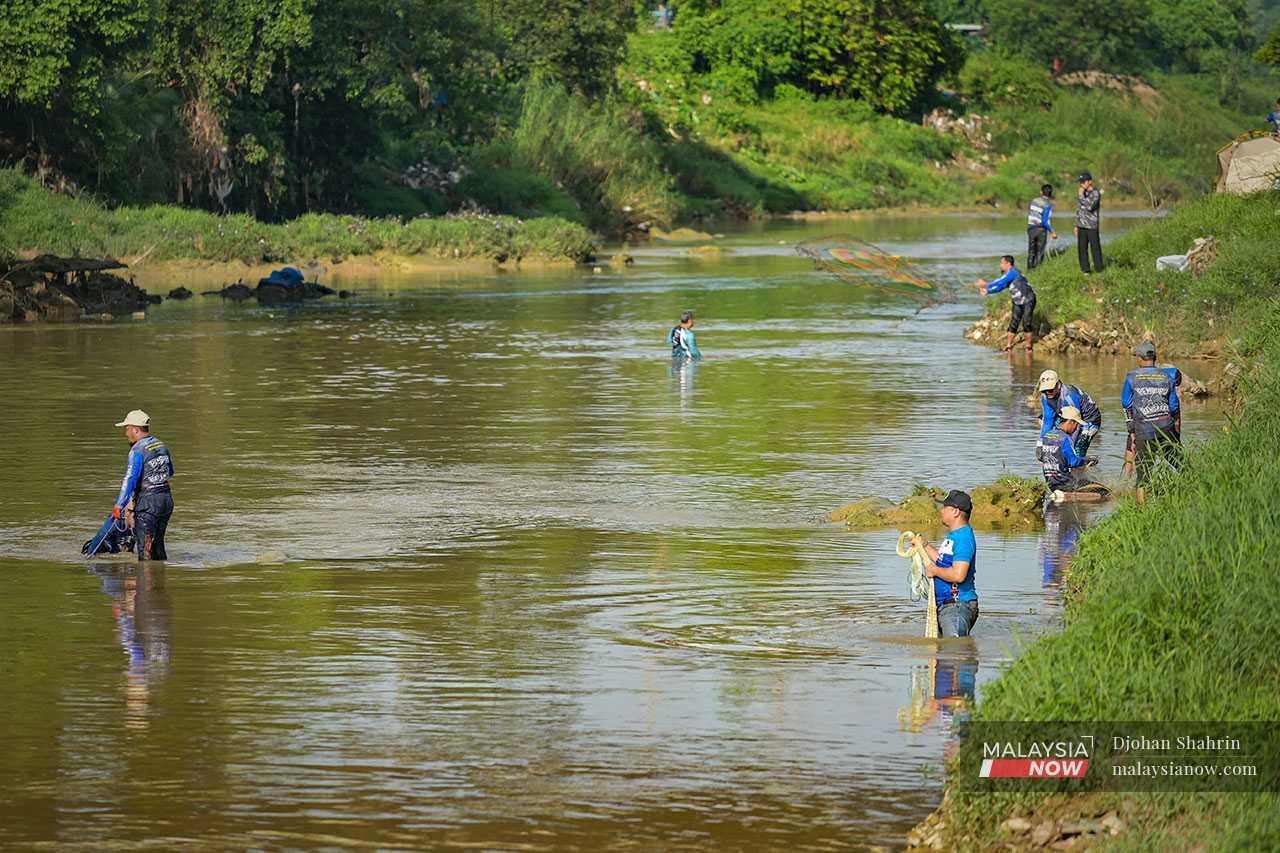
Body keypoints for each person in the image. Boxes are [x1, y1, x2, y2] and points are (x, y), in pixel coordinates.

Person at [911, 490, 978, 638]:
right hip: (948, 607)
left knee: (956, 652)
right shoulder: (954, 536)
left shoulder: (963, 538)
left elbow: (958, 575)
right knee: (945, 656)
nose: (941, 511)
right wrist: (924, 545)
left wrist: (934, 571)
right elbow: (943, 562)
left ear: (955, 512)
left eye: (945, 507)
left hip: (957, 606)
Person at [1121, 341, 1181, 503]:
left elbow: (1126, 403)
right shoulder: (1167, 376)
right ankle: (1196, 490)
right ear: (1154, 358)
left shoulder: (1131, 377)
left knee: (1143, 475)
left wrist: (1132, 431)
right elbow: (1174, 406)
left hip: (1144, 430)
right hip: (1166, 429)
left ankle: (1141, 510)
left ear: (1140, 359)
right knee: (1181, 464)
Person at [112, 410, 175, 560]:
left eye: (127, 429)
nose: (126, 433)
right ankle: (160, 579)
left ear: (136, 429)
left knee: (145, 551)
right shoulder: (161, 446)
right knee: (158, 546)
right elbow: (170, 472)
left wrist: (119, 505)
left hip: (148, 503)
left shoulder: (137, 450)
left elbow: (130, 479)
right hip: (166, 500)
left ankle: (145, 580)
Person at [976, 255, 1036, 352]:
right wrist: (988, 291)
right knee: (1014, 322)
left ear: (1008, 264)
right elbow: (1001, 286)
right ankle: (1009, 346)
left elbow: (1000, 281)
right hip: (1017, 301)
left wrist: (986, 284)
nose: (1000, 265)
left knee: (1026, 323)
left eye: (1001, 263)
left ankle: (1029, 346)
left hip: (1028, 300)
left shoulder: (1013, 273)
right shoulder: (1008, 275)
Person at [1037, 369, 1102, 457]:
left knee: (1077, 451)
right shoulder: (1045, 397)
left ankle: (1083, 465)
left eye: (1050, 390)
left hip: (1088, 420)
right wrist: (1041, 444)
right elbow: (1048, 421)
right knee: (1042, 421)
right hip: (1067, 415)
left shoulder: (1069, 397)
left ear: (1058, 385)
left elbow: (1075, 424)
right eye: (1044, 390)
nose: (1047, 393)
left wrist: (1069, 449)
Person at [1037, 405, 1088, 493]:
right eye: (1076, 424)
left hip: (1050, 484)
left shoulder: (1047, 435)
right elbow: (1073, 462)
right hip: (1066, 483)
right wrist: (1086, 460)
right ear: (1071, 422)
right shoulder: (1065, 438)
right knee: (1102, 491)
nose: (1076, 428)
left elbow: (1041, 456)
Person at [1074, 172, 1103, 274]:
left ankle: (1099, 269)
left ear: (1090, 182)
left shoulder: (1095, 193)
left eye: (1083, 182)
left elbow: (1089, 207)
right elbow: (1079, 210)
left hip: (1091, 226)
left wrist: (1081, 195)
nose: (1081, 184)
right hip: (1081, 226)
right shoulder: (1083, 194)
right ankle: (1085, 270)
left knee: (1095, 248)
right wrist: (1076, 225)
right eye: (1080, 182)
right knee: (1082, 249)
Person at [1026, 183, 1057, 270]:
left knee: (1031, 252)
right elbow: (1045, 221)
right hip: (1040, 230)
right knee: (1040, 252)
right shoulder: (1047, 205)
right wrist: (1052, 231)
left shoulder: (1033, 201)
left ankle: (1029, 271)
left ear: (1041, 192)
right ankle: (1038, 271)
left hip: (1031, 228)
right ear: (1050, 194)